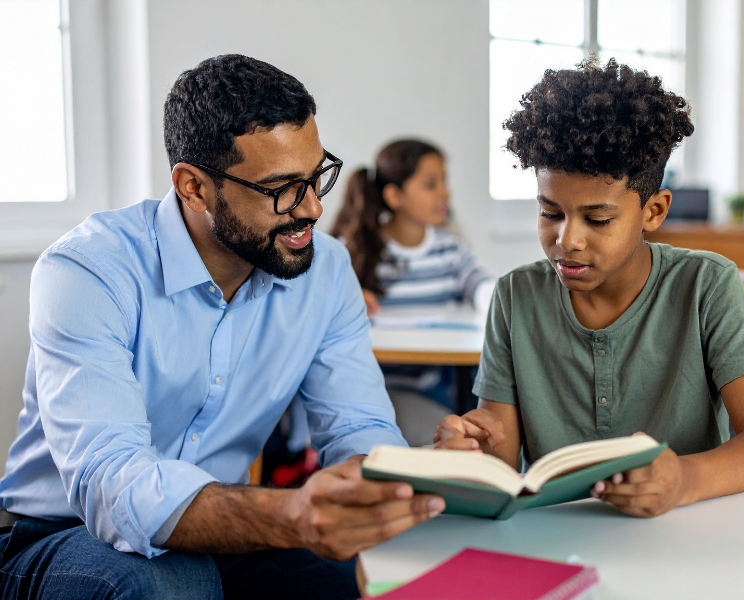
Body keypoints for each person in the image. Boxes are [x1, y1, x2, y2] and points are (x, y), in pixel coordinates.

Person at [0, 55, 444, 600]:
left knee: (360, 577)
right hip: (61, 533)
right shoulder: (89, 271)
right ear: (193, 187)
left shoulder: (325, 270)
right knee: (169, 584)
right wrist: (290, 513)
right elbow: (112, 487)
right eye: (281, 187)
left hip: (219, 533)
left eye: (315, 176)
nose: (311, 209)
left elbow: (357, 428)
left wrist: (392, 489)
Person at [434, 58, 744, 518]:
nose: (567, 240)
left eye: (598, 219)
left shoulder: (706, 284)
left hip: (683, 529)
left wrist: (682, 480)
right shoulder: (515, 296)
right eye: (550, 213)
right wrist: (471, 452)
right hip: (554, 538)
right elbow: (500, 466)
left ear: (654, 211)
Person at [331, 140, 494, 445]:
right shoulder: (359, 250)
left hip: (433, 384)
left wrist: (496, 298)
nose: (445, 192)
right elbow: (320, 299)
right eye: (431, 184)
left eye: (444, 181)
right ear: (395, 196)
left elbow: (481, 285)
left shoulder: (450, 248)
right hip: (372, 386)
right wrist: (346, 297)